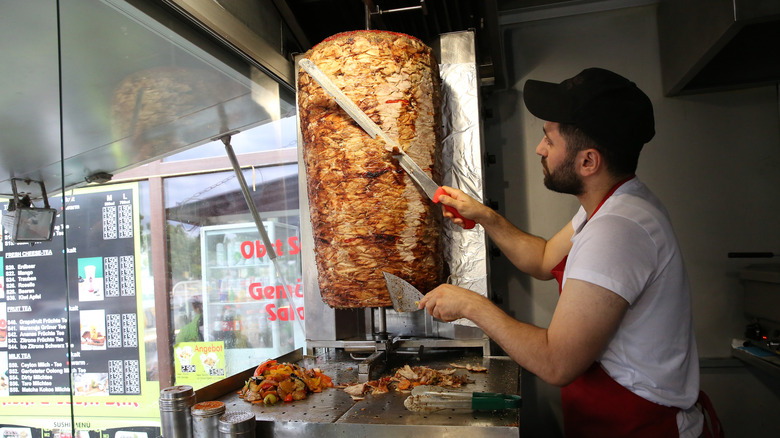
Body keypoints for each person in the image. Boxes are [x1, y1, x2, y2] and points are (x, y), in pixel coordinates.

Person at [420, 68, 708, 437]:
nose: (540, 149)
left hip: (642, 426)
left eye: (549, 140)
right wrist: (485, 216)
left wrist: (471, 305)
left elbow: (558, 363)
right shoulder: (614, 204)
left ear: (588, 162)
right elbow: (542, 260)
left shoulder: (617, 231)